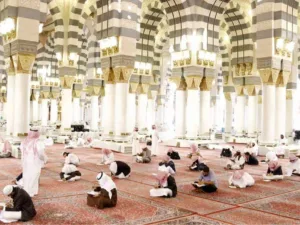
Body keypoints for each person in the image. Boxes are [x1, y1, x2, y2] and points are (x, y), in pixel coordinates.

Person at [20, 130, 46, 197]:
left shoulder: (24, 141)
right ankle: (30, 192)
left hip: (26, 161)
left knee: (27, 176)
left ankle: (29, 191)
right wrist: (44, 159)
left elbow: (22, 152)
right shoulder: (38, 142)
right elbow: (41, 154)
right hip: (35, 161)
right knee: (34, 176)